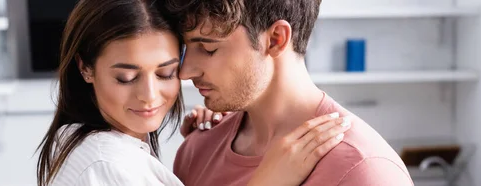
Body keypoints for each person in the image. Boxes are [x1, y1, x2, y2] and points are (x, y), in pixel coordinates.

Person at [34, 0, 352, 185]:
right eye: (126, 77)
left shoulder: (90, 142)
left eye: (166, 72)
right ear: (85, 68)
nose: (149, 95)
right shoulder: (106, 163)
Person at [165, 0, 415, 185]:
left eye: (208, 49)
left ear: (276, 39)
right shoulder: (196, 150)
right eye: (186, 48)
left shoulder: (364, 171)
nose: (185, 72)